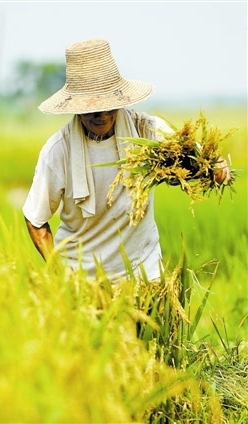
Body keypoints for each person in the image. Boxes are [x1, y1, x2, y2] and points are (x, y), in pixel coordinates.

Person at [22, 39, 230, 282]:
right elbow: (35, 218)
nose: (102, 115)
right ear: (75, 107)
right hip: (83, 280)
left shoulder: (147, 131)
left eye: (109, 105)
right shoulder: (59, 151)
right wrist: (60, 272)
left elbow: (197, 161)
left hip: (144, 274)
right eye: (91, 108)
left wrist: (214, 168)